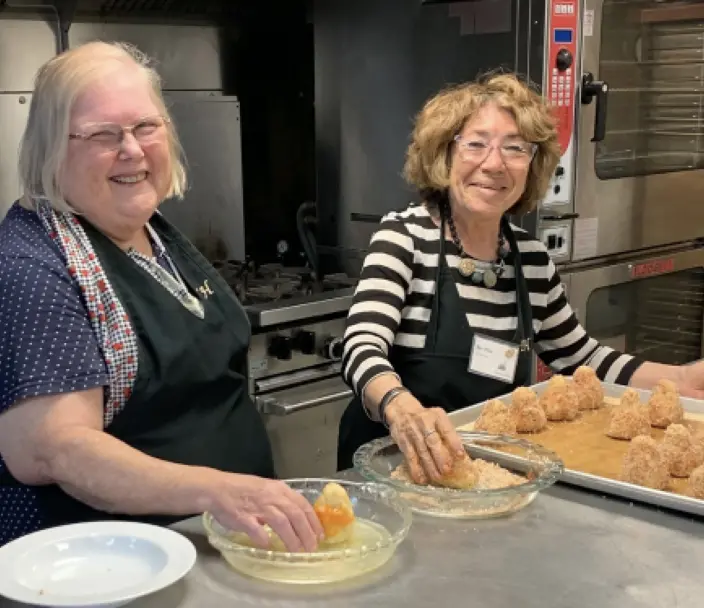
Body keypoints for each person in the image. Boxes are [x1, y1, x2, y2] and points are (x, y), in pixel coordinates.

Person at [0, 41, 323, 551]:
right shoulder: (32, 265)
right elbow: (50, 449)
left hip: (213, 546)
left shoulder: (149, 229)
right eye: (103, 134)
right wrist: (219, 491)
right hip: (117, 570)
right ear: (51, 147)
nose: (132, 149)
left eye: (146, 127)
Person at [337, 73, 704, 483]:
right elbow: (361, 347)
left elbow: (581, 358)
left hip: (480, 471)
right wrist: (398, 404)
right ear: (444, 154)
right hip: (390, 464)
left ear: (532, 166)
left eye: (515, 148)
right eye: (475, 143)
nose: (493, 164)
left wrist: (681, 377)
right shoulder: (404, 238)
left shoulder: (528, 258)